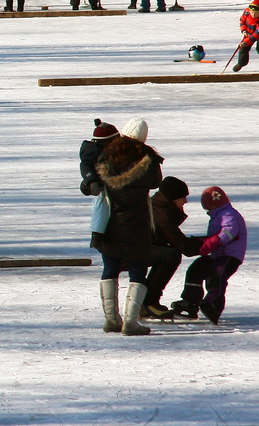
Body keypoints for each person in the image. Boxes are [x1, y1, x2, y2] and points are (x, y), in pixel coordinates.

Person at [89, 118, 163, 335]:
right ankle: (130, 322)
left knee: (110, 268)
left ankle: (111, 319)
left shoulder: (107, 155)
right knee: (138, 270)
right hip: (137, 225)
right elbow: (156, 182)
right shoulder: (148, 159)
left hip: (110, 223)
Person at [169, 187, 248, 323]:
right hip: (217, 255)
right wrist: (199, 242)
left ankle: (213, 305)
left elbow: (230, 231)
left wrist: (213, 243)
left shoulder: (229, 214)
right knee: (197, 267)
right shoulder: (219, 215)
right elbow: (214, 236)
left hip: (230, 256)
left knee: (216, 276)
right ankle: (190, 302)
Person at [144, 177, 199, 319]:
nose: (185, 201)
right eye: (183, 197)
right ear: (173, 197)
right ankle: (149, 302)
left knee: (167, 253)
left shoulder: (159, 206)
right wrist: (211, 243)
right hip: (127, 252)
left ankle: (146, 302)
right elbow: (183, 245)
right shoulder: (161, 212)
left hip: (132, 249)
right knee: (171, 255)